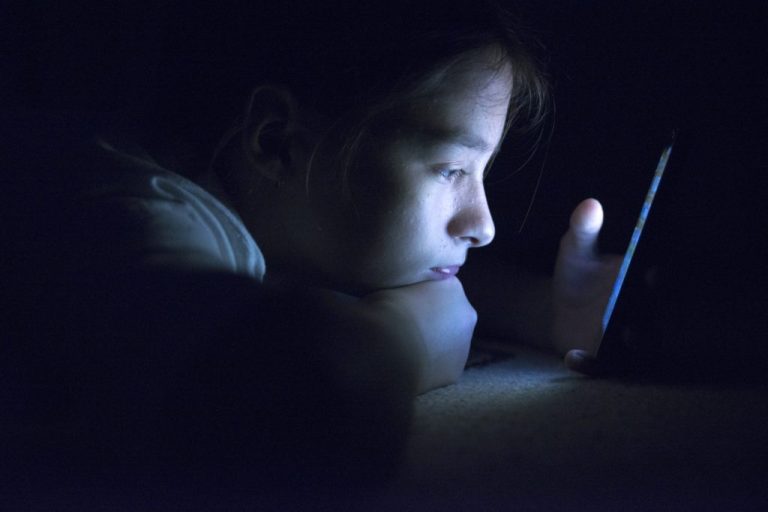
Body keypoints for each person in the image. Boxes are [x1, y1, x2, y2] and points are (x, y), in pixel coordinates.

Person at [3, 0, 621, 498]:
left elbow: (357, 276)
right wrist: (400, 341)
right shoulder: (135, 214)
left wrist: (547, 311)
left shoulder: (268, 212)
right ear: (277, 142)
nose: (483, 224)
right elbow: (304, 406)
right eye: (450, 169)